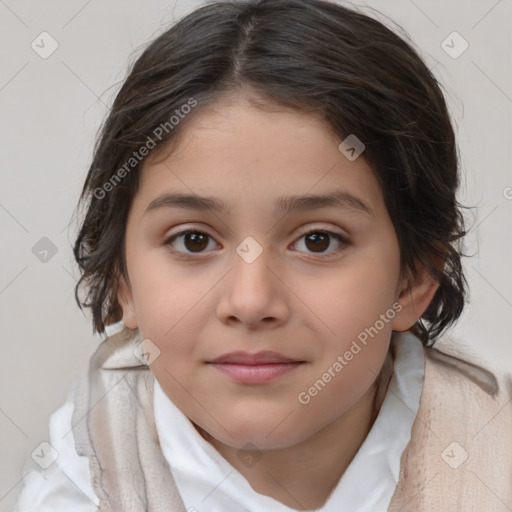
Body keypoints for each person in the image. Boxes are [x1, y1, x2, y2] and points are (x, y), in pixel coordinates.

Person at [14, 0, 512, 510]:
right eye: (194, 240)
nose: (251, 302)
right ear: (122, 279)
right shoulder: (76, 487)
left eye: (319, 240)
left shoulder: (495, 464)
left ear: (414, 279)